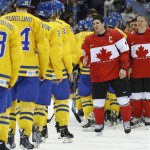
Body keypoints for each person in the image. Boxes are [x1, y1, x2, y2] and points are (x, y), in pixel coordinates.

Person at [2, 0, 49, 149]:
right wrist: (43, 70)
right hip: (30, 69)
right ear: (28, 6)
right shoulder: (35, 21)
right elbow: (43, 49)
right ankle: (24, 136)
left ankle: (8, 135)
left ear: (15, 5)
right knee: (27, 106)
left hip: (9, 68)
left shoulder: (3, 20)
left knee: (9, 105)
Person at [82, 15, 131, 135]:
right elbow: (84, 55)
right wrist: (84, 59)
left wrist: (124, 68)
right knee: (98, 102)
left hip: (116, 73)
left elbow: (125, 51)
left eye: (98, 23)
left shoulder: (115, 34)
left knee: (123, 99)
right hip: (98, 76)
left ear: (103, 23)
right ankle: (99, 123)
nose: (95, 26)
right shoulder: (88, 39)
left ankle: (127, 122)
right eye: (94, 24)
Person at [32, 1, 63, 146]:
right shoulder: (55, 28)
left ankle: (20, 131)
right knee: (42, 103)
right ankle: (38, 129)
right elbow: (55, 55)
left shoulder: (32, 23)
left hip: (29, 69)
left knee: (25, 103)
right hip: (47, 70)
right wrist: (59, 72)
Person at [0, 9, 23, 150]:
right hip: (2, 76)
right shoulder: (11, 28)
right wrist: (12, 78)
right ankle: (1, 141)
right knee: (2, 111)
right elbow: (17, 57)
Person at [127, 15, 150, 127]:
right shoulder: (130, 37)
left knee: (148, 95)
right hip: (136, 71)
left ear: (146, 22)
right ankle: (136, 116)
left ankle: (148, 116)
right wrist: (129, 67)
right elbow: (127, 54)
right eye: (138, 21)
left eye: (142, 21)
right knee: (136, 96)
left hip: (149, 71)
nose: (140, 23)